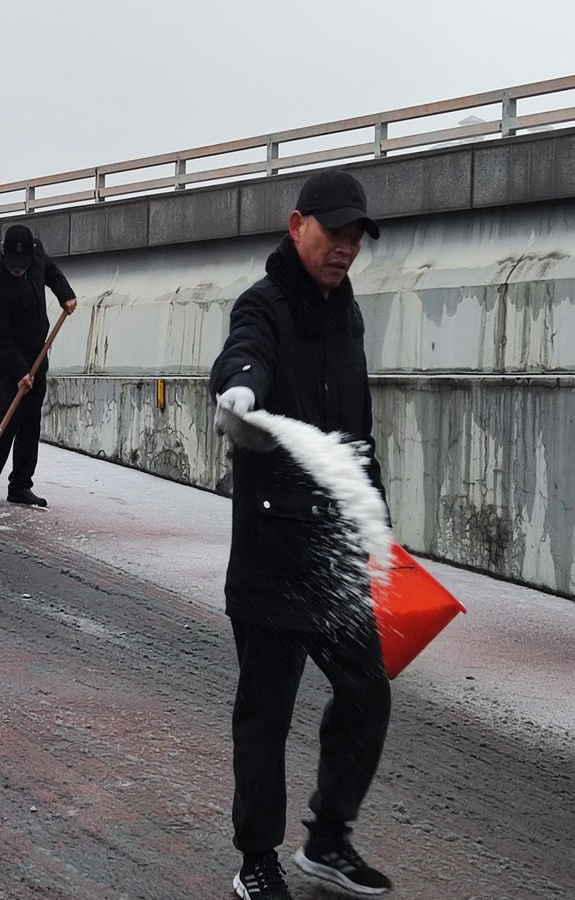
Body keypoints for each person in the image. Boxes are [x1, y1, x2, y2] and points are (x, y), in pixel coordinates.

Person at [209, 169, 393, 899]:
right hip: (272, 552)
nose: (345, 247)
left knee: (367, 693)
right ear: (297, 226)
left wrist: (376, 526)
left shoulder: (347, 315)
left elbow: (357, 431)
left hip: (335, 552)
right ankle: (256, 859)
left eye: (355, 237)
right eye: (333, 232)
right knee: (267, 715)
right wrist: (239, 391)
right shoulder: (264, 303)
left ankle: (327, 840)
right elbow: (245, 351)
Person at [0, 223, 78, 507]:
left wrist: (65, 294)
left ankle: (20, 486)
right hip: (1, 354)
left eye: (22, 265)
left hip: (35, 348)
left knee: (31, 416)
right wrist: (20, 371)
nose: (18, 270)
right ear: (3, 251)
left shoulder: (37, 254)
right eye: (13, 266)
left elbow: (51, 272)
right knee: (10, 412)